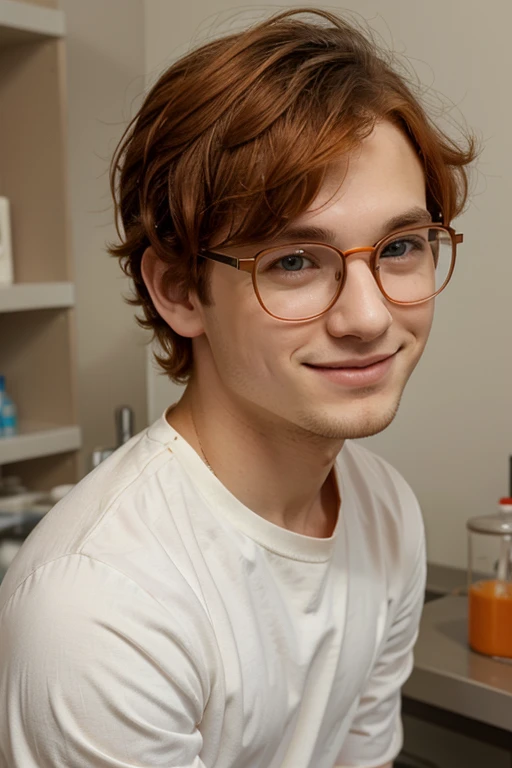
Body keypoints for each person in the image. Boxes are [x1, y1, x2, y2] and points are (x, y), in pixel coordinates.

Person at [0, 7, 475, 768]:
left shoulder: (385, 513)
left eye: (400, 247)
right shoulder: (99, 607)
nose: (367, 315)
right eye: (293, 260)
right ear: (181, 291)